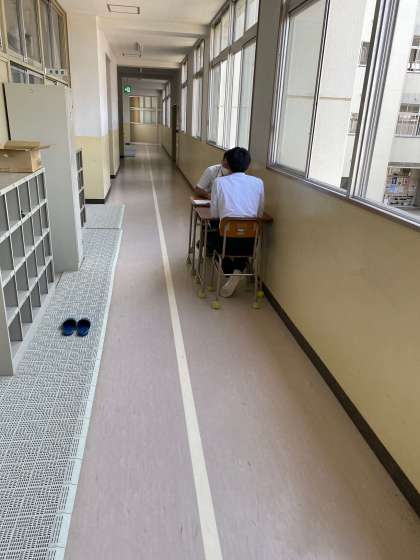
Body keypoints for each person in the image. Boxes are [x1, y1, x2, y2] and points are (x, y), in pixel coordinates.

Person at [208, 147, 264, 298]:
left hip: (226, 241)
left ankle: (230, 271)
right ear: (248, 164)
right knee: (243, 235)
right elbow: (259, 213)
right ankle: (238, 269)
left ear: (228, 164)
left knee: (210, 234)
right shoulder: (258, 183)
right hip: (250, 243)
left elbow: (214, 214)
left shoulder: (219, 182)